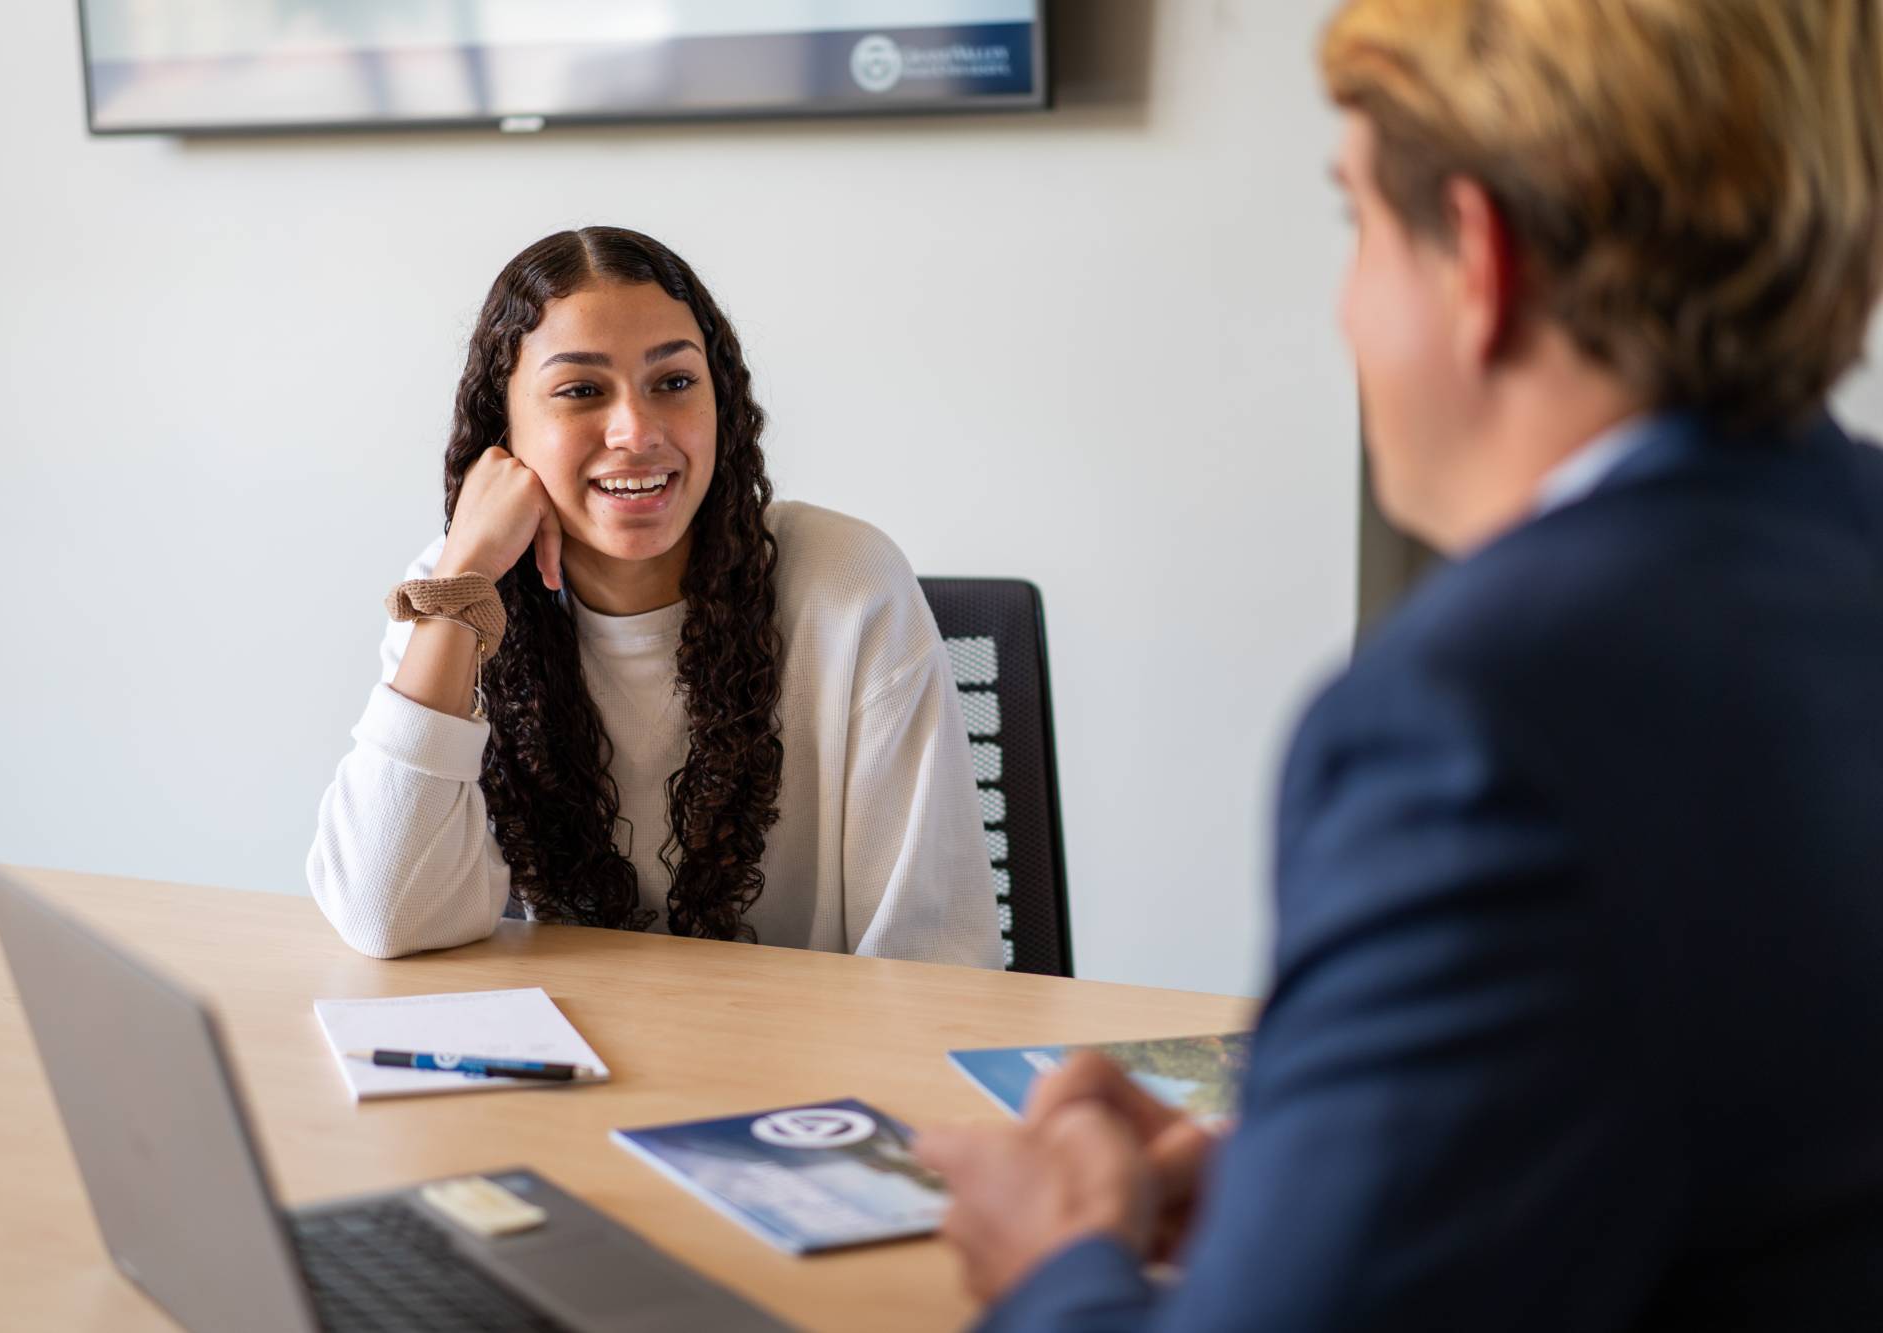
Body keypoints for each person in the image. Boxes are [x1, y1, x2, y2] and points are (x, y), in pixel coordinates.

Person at [917, 1, 1883, 1327]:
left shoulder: (1474, 714)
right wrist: (1320, 1190)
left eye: (1355, 222)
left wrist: (1055, 1261)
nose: (1345, 303)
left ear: (1477, 261)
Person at [308, 227, 1001, 968]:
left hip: (798, 1070)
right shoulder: (457, 590)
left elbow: (935, 962)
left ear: (721, 403)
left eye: (673, 383)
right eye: (580, 390)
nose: (636, 431)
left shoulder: (848, 584)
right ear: (503, 431)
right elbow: (387, 914)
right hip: (564, 1066)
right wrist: (465, 578)